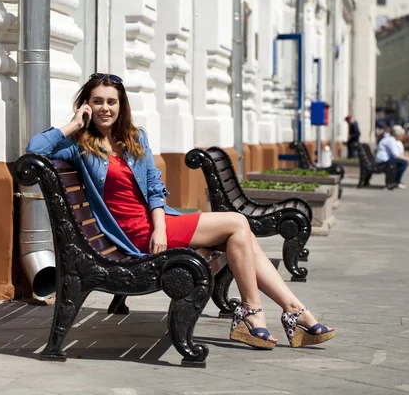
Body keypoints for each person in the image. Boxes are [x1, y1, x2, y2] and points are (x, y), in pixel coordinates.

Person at [26, 73, 334, 350]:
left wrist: (160, 226)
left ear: (122, 106)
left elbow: (154, 187)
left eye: (111, 101)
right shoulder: (79, 145)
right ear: (87, 105)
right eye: (97, 101)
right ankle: (266, 314)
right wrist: (75, 123)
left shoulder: (135, 138)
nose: (105, 108)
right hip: (130, 234)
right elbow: (35, 148)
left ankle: (284, 311)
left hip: (155, 225)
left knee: (240, 235)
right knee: (237, 224)